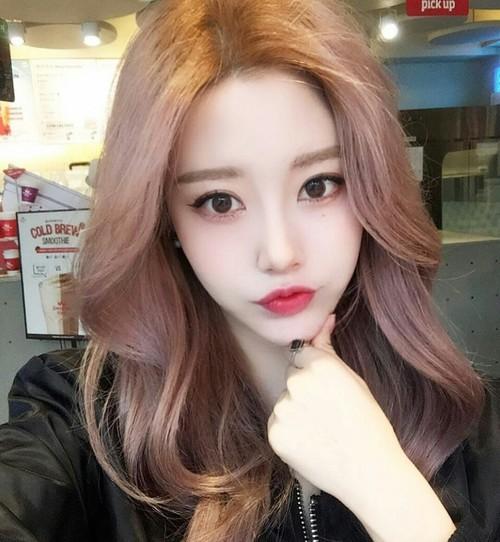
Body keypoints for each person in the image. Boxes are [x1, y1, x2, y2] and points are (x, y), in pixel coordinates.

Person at [1, 0, 499, 540]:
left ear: (370, 187)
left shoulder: (472, 425)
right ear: (165, 218)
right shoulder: (82, 419)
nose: (279, 253)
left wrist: (389, 492)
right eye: (219, 201)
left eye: (318, 185)